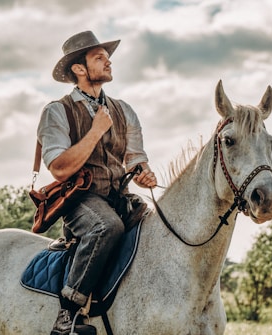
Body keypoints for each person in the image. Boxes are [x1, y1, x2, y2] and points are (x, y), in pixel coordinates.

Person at [37, 31, 157, 335]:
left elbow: (135, 158)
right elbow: (59, 169)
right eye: (99, 58)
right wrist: (95, 130)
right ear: (79, 68)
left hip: (119, 196)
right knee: (107, 227)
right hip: (82, 201)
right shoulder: (57, 111)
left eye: (108, 58)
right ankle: (69, 316)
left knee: (158, 228)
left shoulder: (124, 110)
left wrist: (143, 172)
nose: (108, 63)